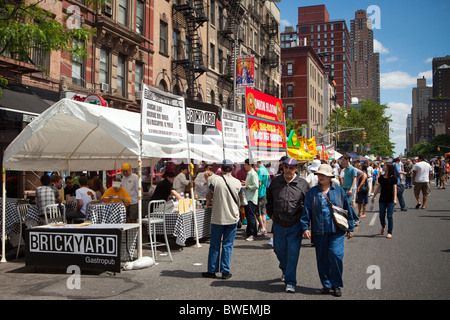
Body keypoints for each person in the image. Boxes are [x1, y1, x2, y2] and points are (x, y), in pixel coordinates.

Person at [301, 164, 354, 297]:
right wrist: (305, 227)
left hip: (337, 230)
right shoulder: (312, 192)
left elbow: (347, 208)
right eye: (319, 175)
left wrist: (351, 226)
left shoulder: (339, 190)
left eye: (323, 175)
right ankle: (326, 284)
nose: (321, 177)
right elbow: (306, 210)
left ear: (330, 177)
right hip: (319, 231)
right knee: (322, 259)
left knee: (336, 256)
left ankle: (336, 284)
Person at [266, 157, 309, 293]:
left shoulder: (303, 184)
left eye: (291, 168)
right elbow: (269, 199)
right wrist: (271, 214)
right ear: (282, 168)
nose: (288, 170)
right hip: (278, 223)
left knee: (293, 253)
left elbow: (307, 205)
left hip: (295, 224)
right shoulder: (276, 182)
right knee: (278, 249)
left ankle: (290, 281)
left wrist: (306, 224)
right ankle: (285, 269)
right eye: (286, 167)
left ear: (296, 169)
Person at [203, 159, 245, 279]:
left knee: (215, 245)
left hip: (217, 217)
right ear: (232, 169)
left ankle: (212, 270)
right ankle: (225, 271)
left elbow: (208, 197)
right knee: (228, 245)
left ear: (221, 169)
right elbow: (241, 199)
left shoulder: (215, 181)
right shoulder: (237, 183)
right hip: (232, 217)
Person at [371, 162, 397, 239]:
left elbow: (395, 189)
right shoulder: (381, 178)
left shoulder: (393, 178)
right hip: (382, 199)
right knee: (381, 216)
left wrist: (395, 199)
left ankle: (390, 232)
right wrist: (373, 196)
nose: (383, 167)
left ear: (389, 168)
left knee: (389, 216)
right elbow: (378, 187)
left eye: (385, 166)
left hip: (390, 199)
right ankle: (383, 226)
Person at [242, 158, 259, 241]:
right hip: (248, 197)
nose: (244, 165)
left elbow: (256, 186)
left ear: (249, 164)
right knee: (249, 216)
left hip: (251, 198)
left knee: (251, 217)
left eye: (245, 164)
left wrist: (246, 187)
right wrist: (245, 184)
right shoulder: (249, 173)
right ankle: (249, 232)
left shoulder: (253, 173)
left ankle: (253, 234)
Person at [255, 159, 269, 236]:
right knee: (263, 212)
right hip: (264, 192)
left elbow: (259, 183)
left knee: (258, 212)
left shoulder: (260, 170)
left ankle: (263, 228)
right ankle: (264, 228)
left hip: (260, 193)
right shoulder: (265, 170)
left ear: (258, 162)